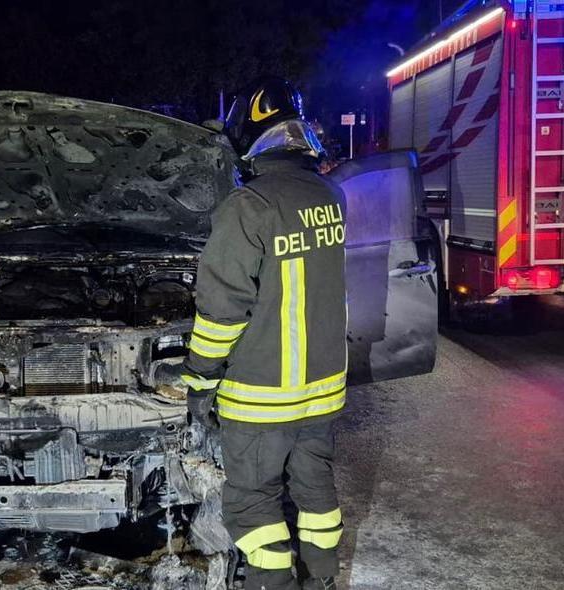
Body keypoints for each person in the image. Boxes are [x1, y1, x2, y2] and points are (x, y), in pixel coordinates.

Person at [182, 77, 347, 590]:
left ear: (251, 141)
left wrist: (199, 378)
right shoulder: (329, 194)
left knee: (254, 504)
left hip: (261, 397)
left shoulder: (247, 206)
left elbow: (221, 312)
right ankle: (320, 579)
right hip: (322, 393)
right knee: (316, 491)